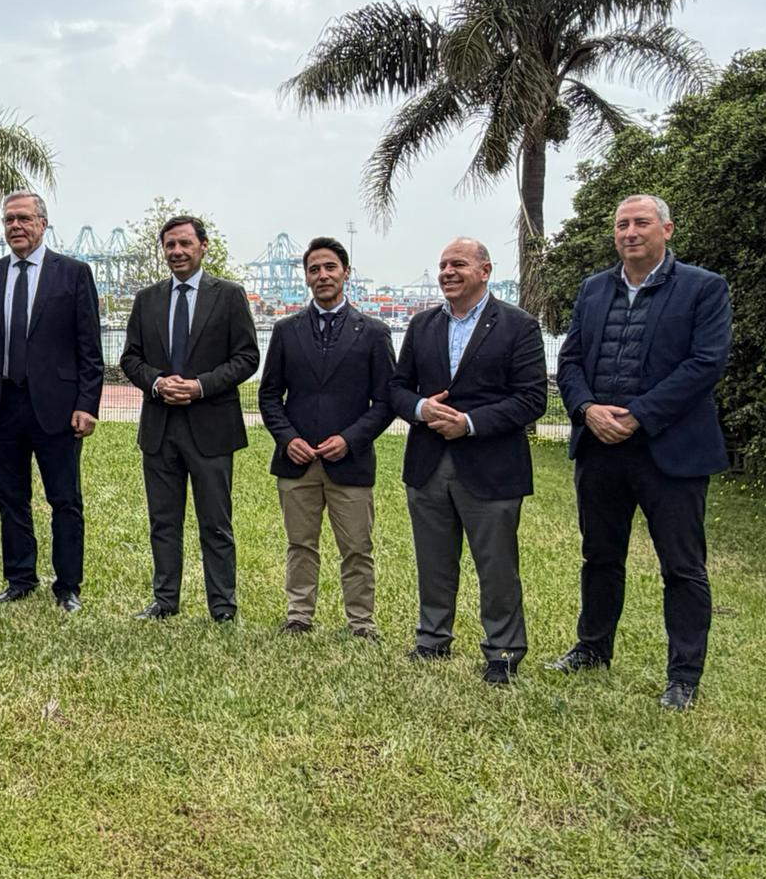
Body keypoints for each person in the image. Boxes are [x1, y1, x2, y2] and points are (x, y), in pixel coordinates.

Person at [548, 195, 732, 710]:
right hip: (600, 449)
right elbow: (572, 361)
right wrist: (586, 410)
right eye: (622, 224)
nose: (630, 231)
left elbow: (705, 364)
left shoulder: (703, 288)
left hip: (670, 452)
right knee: (600, 556)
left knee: (683, 567)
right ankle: (592, 647)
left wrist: (638, 415)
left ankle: (683, 676)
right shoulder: (593, 290)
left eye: (642, 223)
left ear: (666, 229)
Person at [389, 238, 547, 683]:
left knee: (496, 565)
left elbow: (532, 398)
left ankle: (503, 651)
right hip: (428, 463)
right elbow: (397, 388)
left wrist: (470, 422)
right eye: (442, 265)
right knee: (433, 560)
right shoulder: (421, 325)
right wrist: (421, 409)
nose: (447, 272)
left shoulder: (518, 326)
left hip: (492, 466)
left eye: (457, 263)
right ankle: (432, 639)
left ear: (485, 270)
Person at [0, 191, 104, 612]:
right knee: (11, 499)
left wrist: (87, 403)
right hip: (0, 404)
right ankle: (20, 578)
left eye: (24, 218)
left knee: (64, 499)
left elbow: (90, 349)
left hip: (57, 407)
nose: (15, 227)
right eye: (9, 220)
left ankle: (68, 586)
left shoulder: (74, 274)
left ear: (43, 223)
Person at [120, 215, 259, 621]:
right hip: (160, 427)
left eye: (184, 244)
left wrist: (199, 386)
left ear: (203, 246)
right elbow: (130, 357)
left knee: (215, 524)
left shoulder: (229, 295)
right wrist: (158, 384)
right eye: (169, 246)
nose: (176, 252)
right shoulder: (147, 298)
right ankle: (165, 601)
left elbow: (248, 357)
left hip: (211, 426)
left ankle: (222, 607)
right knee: (163, 521)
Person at [257, 236, 395, 638]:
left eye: (330, 267)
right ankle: (299, 615)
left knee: (356, 548)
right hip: (297, 460)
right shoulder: (286, 331)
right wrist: (287, 439)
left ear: (346, 272)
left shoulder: (373, 333)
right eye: (314, 269)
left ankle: (361, 622)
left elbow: (386, 401)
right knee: (300, 545)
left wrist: (350, 440)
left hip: (349, 461)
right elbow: (269, 395)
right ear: (306, 277)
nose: (322, 275)